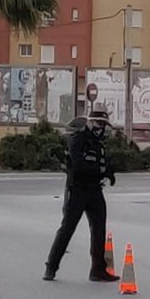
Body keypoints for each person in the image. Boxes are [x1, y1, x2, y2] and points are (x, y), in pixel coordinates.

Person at [43, 109, 119, 282]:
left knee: (99, 229)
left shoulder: (99, 144)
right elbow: (78, 165)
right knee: (67, 229)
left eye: (104, 125)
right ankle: (51, 267)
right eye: (98, 123)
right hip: (77, 189)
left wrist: (109, 172)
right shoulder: (77, 139)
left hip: (94, 190)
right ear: (89, 122)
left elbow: (100, 164)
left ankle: (98, 270)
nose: (101, 128)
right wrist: (100, 171)